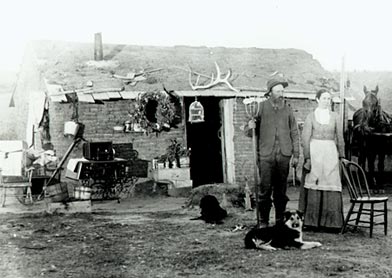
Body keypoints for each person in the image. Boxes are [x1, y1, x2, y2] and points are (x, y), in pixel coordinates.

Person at [245, 77, 300, 227]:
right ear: (270, 92)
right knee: (265, 189)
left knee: (281, 192)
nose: (281, 94)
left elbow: (294, 133)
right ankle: (263, 222)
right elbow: (249, 132)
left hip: (283, 155)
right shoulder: (260, 108)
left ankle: (279, 221)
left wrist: (296, 154)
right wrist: (250, 126)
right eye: (277, 91)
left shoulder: (288, 109)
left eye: (282, 91)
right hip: (266, 155)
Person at [299, 89, 345, 232]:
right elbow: (305, 139)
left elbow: (340, 137)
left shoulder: (336, 116)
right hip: (315, 153)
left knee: (330, 182)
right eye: (324, 98)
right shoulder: (311, 117)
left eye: (329, 99)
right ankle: (311, 222)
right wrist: (307, 157)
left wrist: (341, 156)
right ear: (317, 99)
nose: (327, 101)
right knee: (314, 182)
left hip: (330, 152)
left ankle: (332, 223)